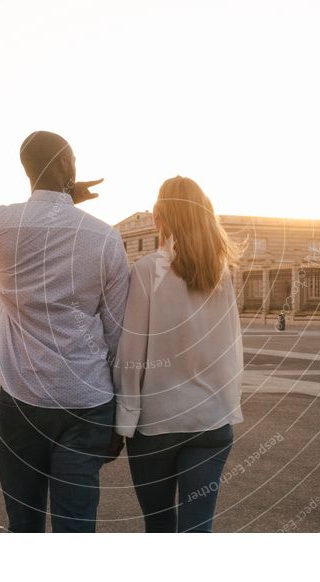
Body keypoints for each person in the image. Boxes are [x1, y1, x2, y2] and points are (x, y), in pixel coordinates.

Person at [0, 131, 129, 533]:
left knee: (23, 523)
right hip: (87, 403)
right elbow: (117, 334)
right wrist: (120, 417)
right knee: (74, 528)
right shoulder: (106, 238)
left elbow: (37, 222)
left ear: (26, 169)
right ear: (66, 166)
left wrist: (61, 196)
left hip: (22, 398)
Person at [113, 176, 244, 532]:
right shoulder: (221, 274)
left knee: (158, 527)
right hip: (211, 422)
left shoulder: (144, 272)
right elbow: (231, 348)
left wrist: (123, 423)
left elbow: (131, 355)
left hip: (156, 425)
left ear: (159, 217)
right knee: (196, 530)